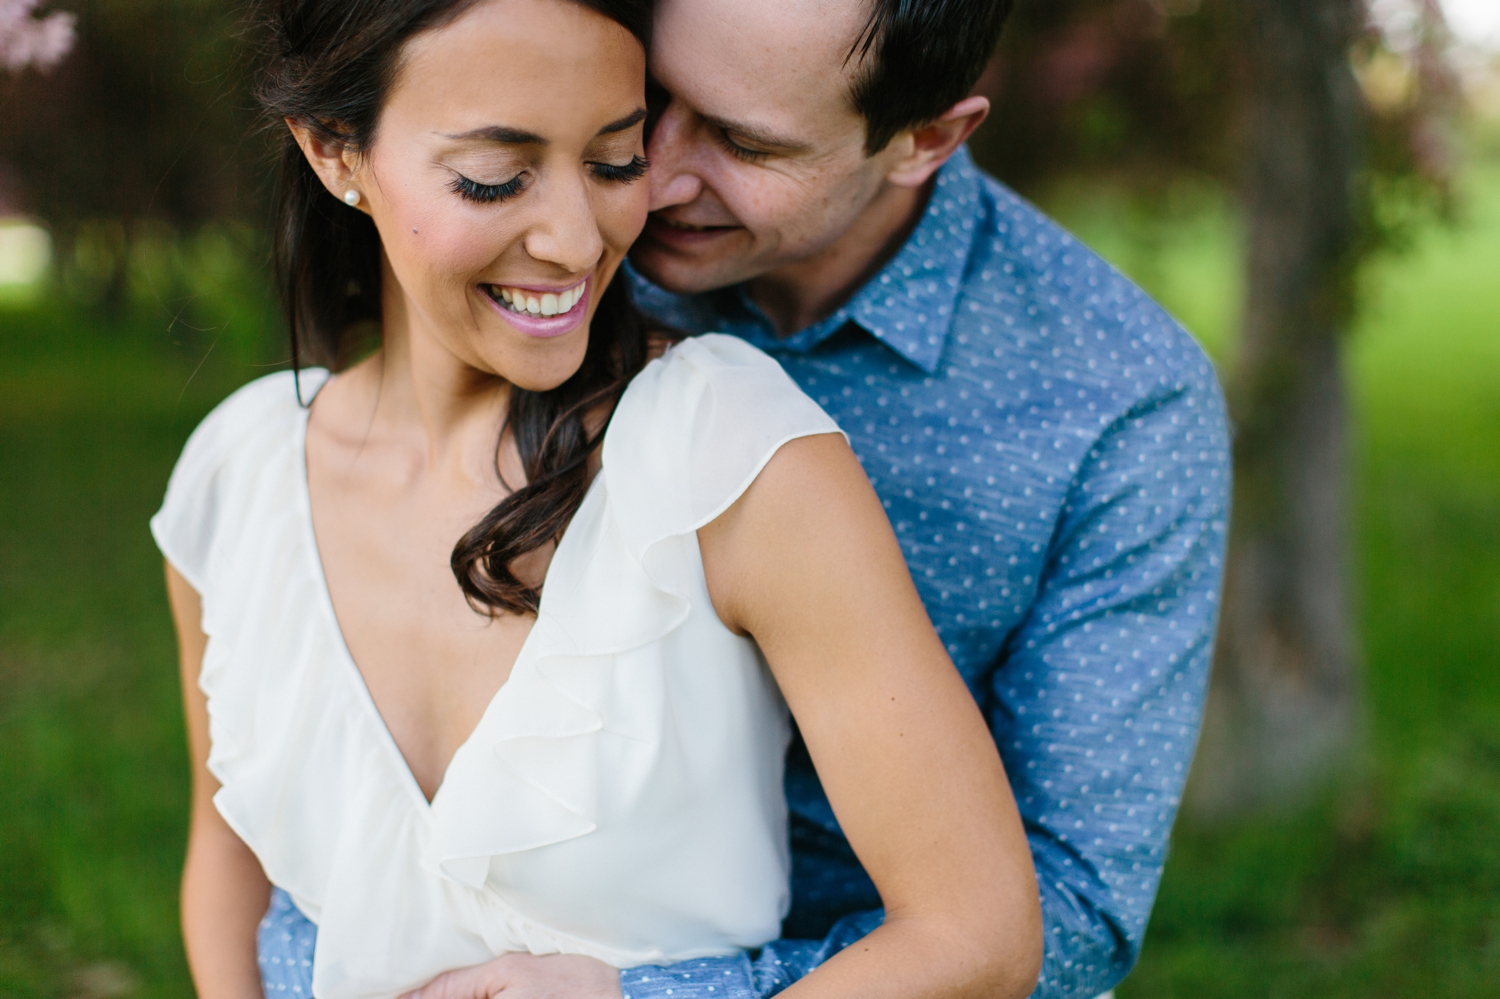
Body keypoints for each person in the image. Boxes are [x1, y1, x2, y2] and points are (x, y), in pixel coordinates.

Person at [156, 1, 1045, 998]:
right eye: (494, 177)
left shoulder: (730, 452)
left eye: (616, 162)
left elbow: (978, 935)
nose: (577, 242)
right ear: (334, 152)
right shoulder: (238, 470)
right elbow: (228, 863)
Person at [600, 1, 1233, 998]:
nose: (655, 174)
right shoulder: (562, 251)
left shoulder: (1120, 400)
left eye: (742, 142)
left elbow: (1074, 908)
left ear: (925, 140)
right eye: (652, 96)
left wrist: (655, 995)